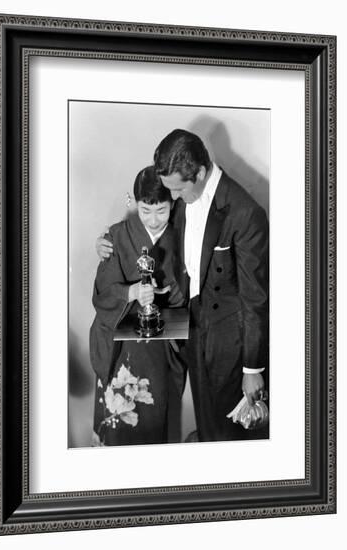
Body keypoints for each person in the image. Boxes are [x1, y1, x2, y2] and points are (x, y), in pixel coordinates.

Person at [97, 129, 269, 442]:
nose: (172, 199)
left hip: (229, 347)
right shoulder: (181, 195)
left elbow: (255, 299)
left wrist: (252, 369)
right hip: (192, 333)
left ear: (200, 173)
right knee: (206, 425)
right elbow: (149, 222)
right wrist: (106, 242)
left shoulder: (246, 214)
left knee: (228, 436)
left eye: (177, 190)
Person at [90, 165, 186, 447]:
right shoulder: (117, 236)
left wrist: (170, 292)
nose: (154, 220)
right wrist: (130, 291)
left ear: (174, 202)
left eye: (162, 211)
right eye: (146, 210)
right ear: (134, 203)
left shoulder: (182, 235)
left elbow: (186, 290)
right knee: (116, 426)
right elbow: (102, 296)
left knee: (153, 423)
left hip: (158, 349)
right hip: (119, 349)